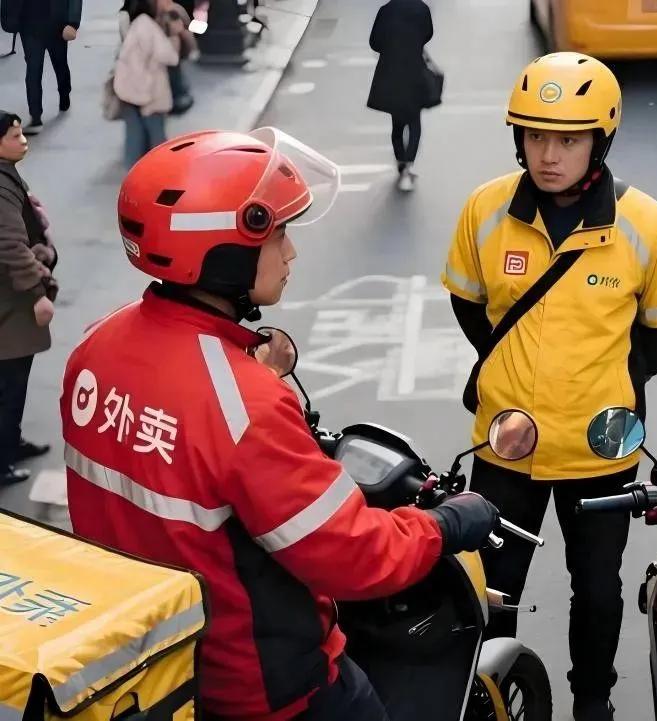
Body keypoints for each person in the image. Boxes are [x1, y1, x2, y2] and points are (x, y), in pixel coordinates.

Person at [60, 127, 500, 721]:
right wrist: (445, 524)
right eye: (278, 233)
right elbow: (353, 556)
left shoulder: (96, 349)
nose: (290, 252)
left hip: (146, 668)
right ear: (226, 252)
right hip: (256, 685)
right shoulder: (247, 407)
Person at [442, 52, 657, 721]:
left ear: (600, 140)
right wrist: (514, 371)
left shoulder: (649, 225)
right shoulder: (485, 211)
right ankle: (491, 696)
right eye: (535, 136)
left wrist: (612, 378)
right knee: (494, 587)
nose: (549, 154)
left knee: (599, 590)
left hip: (602, 449)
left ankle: (592, 700)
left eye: (568, 139)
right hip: (507, 449)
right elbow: (471, 308)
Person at [0, 111, 57, 486]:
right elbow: (9, 244)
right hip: (12, 304)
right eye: (15, 135)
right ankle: (2, 459)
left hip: (12, 300)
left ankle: (11, 442)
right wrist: (37, 291)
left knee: (13, 380)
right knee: (9, 383)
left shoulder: (6, 174)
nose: (23, 141)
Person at [366, 0, 434, 192]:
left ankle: (401, 162)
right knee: (414, 122)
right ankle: (409, 165)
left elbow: (374, 42)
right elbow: (427, 34)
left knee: (397, 123)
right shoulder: (422, 9)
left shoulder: (385, 11)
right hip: (415, 70)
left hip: (391, 73)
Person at [114, 0, 181, 168]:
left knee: (136, 141)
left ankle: (138, 181)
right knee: (155, 144)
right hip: (146, 94)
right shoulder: (146, 25)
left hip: (134, 92)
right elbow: (170, 57)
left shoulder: (145, 22)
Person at [0, 0, 81, 134]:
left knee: (60, 64)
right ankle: (36, 116)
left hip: (57, 24)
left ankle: (64, 93)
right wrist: (8, 18)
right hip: (29, 24)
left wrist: (73, 23)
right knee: (33, 70)